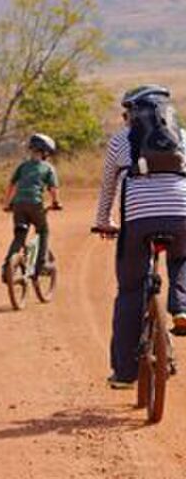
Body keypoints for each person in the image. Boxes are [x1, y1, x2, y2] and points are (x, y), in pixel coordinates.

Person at [93, 84, 186, 389]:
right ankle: (181, 306)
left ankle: (124, 373)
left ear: (130, 114)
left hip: (138, 217)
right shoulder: (182, 137)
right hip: (181, 212)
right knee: (182, 258)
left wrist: (103, 221)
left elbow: (108, 185)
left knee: (131, 290)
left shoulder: (121, 140)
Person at [1, 133, 62, 282]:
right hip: (35, 205)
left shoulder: (22, 166)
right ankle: (41, 265)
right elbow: (53, 188)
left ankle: (7, 267)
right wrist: (56, 203)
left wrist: (7, 204)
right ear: (45, 152)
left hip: (18, 205)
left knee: (19, 236)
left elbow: (12, 185)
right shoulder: (48, 168)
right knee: (43, 231)